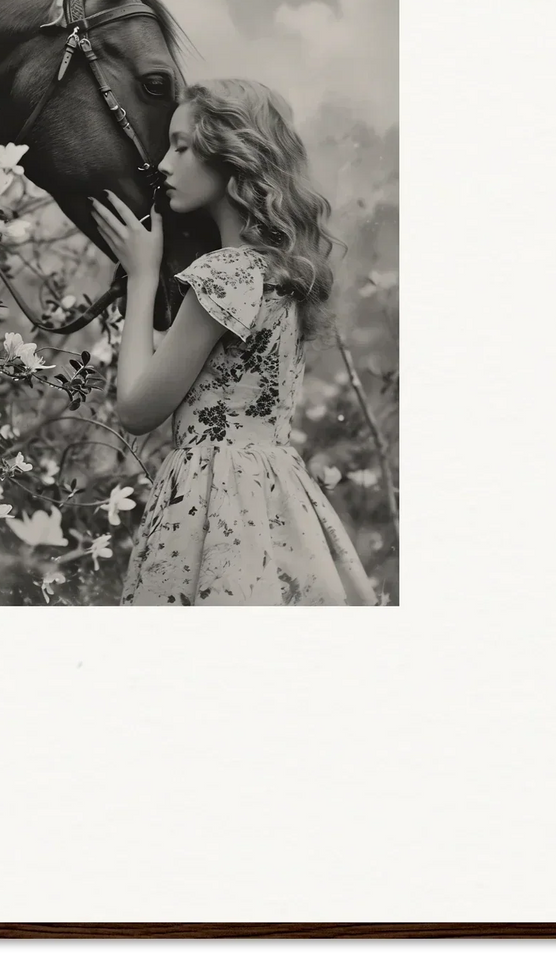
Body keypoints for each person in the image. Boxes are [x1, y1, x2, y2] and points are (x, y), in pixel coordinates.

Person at [89, 77, 378, 606]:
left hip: (212, 500)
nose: (164, 166)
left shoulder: (224, 276)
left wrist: (141, 274)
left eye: (180, 147)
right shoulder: (281, 273)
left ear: (231, 155)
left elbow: (134, 410)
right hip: (276, 496)